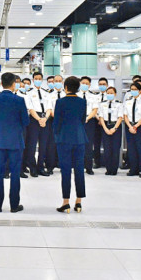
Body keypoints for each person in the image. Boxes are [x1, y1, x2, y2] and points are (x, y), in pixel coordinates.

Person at [0, 72, 30, 213]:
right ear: (14, 84)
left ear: (1, 83)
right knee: (15, 173)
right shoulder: (19, 100)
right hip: (15, 141)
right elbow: (26, 121)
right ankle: (14, 205)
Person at [53, 76, 88, 213]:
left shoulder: (60, 102)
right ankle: (78, 202)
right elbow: (83, 120)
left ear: (65, 87)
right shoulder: (82, 102)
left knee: (66, 170)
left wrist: (56, 135)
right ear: (78, 88)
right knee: (79, 169)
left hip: (64, 138)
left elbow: (56, 122)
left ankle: (66, 202)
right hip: (79, 138)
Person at [25, 72, 52, 177]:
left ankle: (41, 167)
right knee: (31, 145)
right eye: (36, 78)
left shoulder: (46, 92)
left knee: (43, 145)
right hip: (34, 119)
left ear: (42, 80)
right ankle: (32, 168)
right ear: (33, 80)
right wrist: (39, 119)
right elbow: (30, 108)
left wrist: (45, 119)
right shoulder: (29, 92)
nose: (38, 80)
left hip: (45, 119)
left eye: (39, 78)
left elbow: (49, 107)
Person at [124, 82, 141, 177]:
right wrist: (130, 126)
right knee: (131, 149)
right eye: (132, 89)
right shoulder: (128, 101)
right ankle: (133, 169)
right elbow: (125, 115)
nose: (133, 91)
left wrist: (136, 126)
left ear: (140, 90)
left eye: (135, 89)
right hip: (129, 126)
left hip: (140, 126)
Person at [97, 86, 122, 176]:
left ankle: (114, 169)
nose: (109, 94)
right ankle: (108, 169)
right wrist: (105, 128)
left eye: (111, 93)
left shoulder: (119, 104)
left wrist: (114, 128)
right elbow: (101, 117)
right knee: (107, 149)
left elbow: (120, 117)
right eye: (108, 93)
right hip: (105, 126)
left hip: (116, 126)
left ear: (115, 94)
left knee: (115, 149)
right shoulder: (102, 104)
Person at [77, 76, 99, 175]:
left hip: (89, 121)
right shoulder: (75, 95)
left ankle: (89, 167)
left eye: (87, 83)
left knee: (89, 145)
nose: (85, 85)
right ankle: (78, 166)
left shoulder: (93, 96)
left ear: (90, 85)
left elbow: (95, 110)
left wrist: (87, 118)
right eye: (83, 83)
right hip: (77, 122)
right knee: (77, 145)